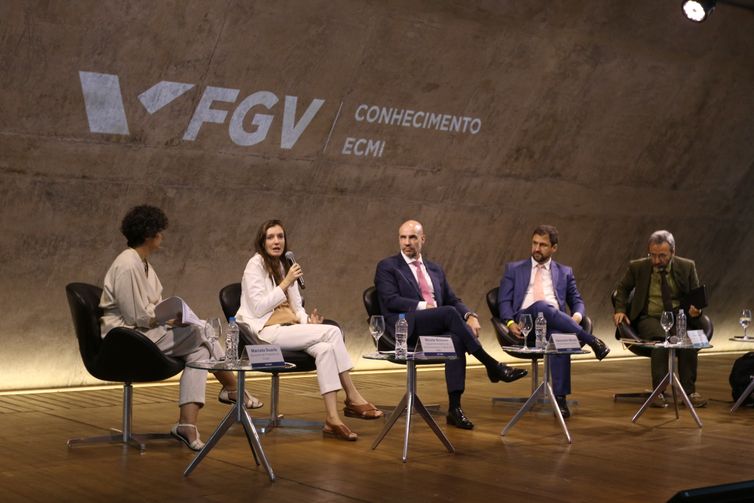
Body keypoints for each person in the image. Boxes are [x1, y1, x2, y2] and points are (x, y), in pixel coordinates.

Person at [99, 205, 261, 452]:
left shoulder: (144, 265)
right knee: (201, 331)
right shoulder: (127, 264)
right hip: (125, 338)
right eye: (159, 232)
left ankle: (187, 424)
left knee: (200, 353)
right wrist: (165, 318)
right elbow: (136, 315)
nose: (162, 237)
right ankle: (232, 388)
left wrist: (171, 317)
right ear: (149, 234)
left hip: (144, 332)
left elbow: (151, 307)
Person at [235, 219, 383, 442]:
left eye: (280, 236)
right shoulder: (254, 265)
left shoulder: (285, 265)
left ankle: (332, 419)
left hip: (290, 328)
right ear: (262, 241)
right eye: (271, 237)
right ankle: (352, 396)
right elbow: (257, 308)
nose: (276, 241)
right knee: (332, 332)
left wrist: (308, 322)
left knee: (324, 348)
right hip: (266, 332)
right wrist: (285, 283)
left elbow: (297, 307)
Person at [374, 219, 528, 430]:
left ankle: (455, 409)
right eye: (403, 237)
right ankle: (492, 365)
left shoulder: (435, 269)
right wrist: (424, 306)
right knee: (447, 313)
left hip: (435, 324)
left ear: (423, 239)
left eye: (412, 237)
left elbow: (453, 299)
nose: (407, 242)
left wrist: (470, 315)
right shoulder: (388, 266)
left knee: (456, 339)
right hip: (403, 326)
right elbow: (390, 300)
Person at [498, 225, 610, 418]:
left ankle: (560, 399)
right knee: (541, 306)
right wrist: (509, 323)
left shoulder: (565, 272)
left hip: (556, 323)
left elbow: (577, 301)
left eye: (543, 245)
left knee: (559, 339)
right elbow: (503, 300)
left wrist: (576, 317)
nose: (537, 248)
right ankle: (592, 341)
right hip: (527, 322)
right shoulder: (514, 269)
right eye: (534, 243)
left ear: (554, 248)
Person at [613, 230, 707, 408]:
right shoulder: (638, 267)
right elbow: (622, 289)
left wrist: (697, 310)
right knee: (660, 342)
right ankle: (658, 392)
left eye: (662, 256)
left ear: (673, 252)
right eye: (652, 255)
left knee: (688, 343)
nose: (656, 261)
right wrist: (620, 309)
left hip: (679, 317)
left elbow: (696, 296)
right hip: (649, 317)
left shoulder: (687, 266)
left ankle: (689, 393)